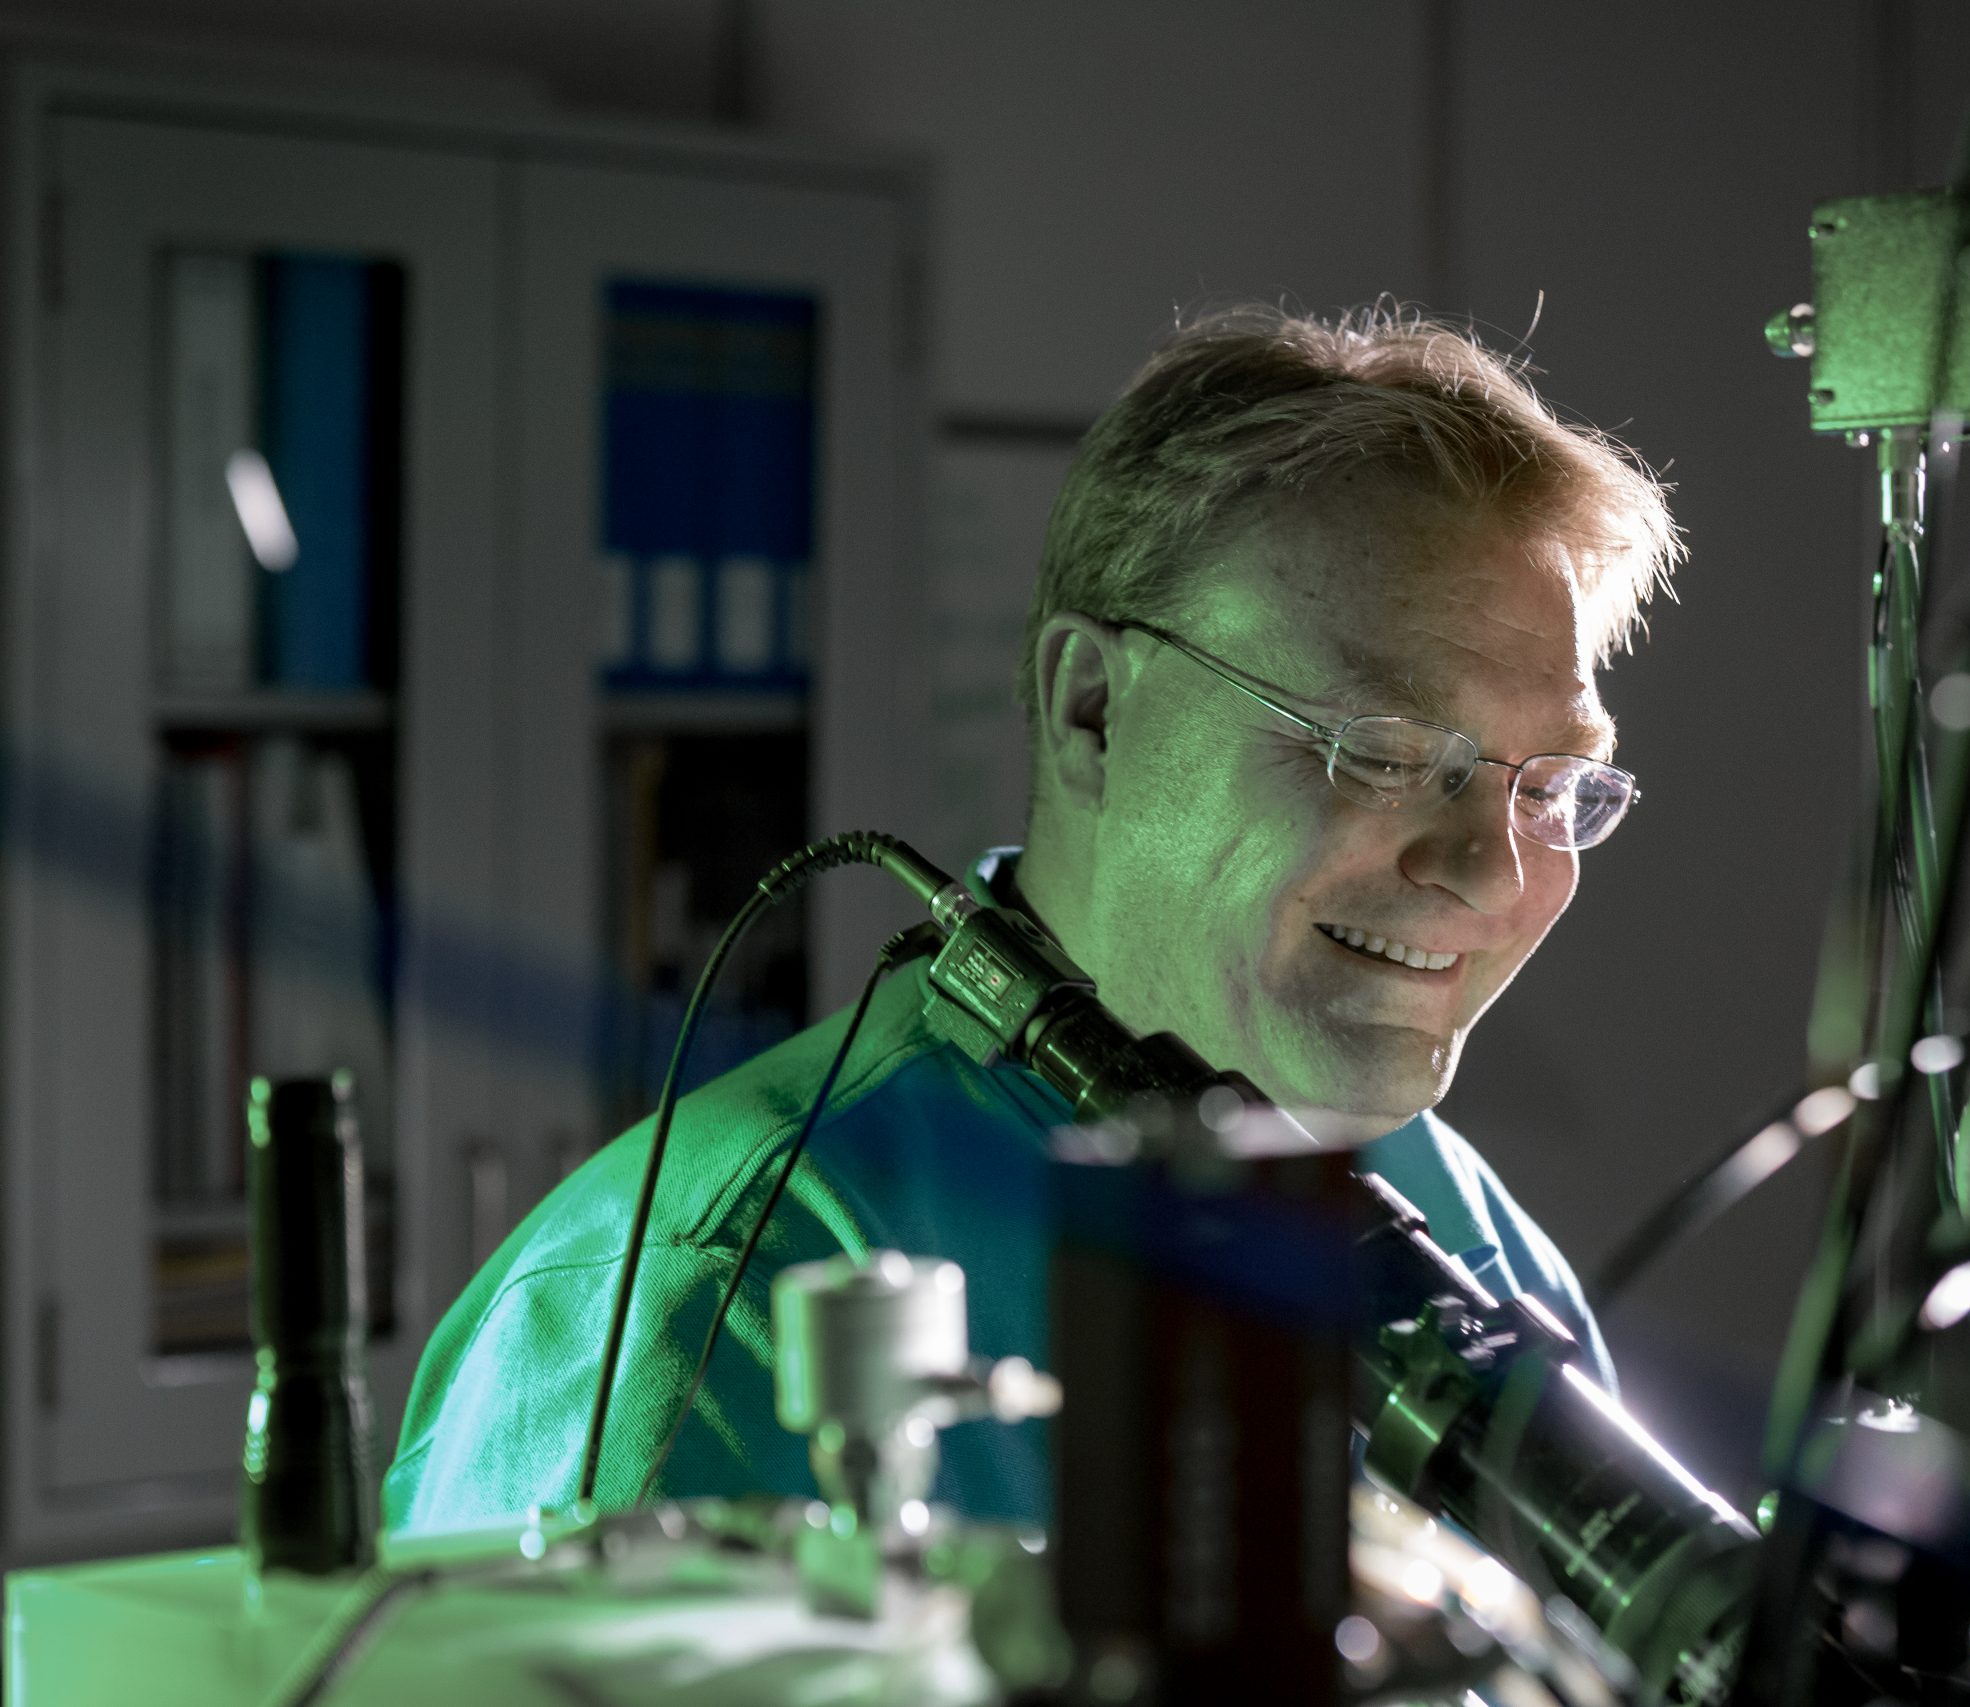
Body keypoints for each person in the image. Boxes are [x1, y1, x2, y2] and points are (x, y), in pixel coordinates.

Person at [384, 302, 1681, 1533]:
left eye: (1555, 786)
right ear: (1093, 715)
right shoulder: (710, 1296)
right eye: (1386, 749)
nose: (1496, 873)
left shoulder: (1466, 1245)